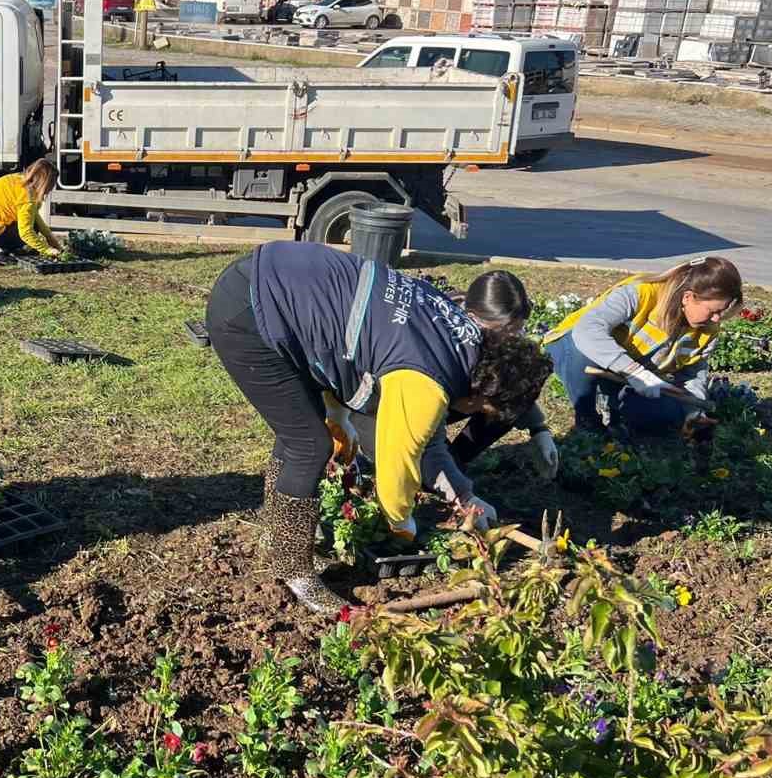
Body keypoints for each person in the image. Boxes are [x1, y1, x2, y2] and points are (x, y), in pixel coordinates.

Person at [205, 242, 553, 615]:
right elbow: (395, 470)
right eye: (479, 410)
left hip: (279, 280)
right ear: (482, 393)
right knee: (307, 445)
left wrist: (463, 496)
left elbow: (350, 341)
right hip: (252, 312)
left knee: (300, 435)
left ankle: (277, 539)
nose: (467, 413)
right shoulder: (428, 383)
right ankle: (295, 571)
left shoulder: (457, 336)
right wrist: (404, 527)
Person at [354, 271, 561, 509]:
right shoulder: (441, 343)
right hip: (392, 398)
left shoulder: (491, 331)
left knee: (501, 401)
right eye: (507, 330)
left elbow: (511, 389)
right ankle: (425, 469)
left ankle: (453, 463)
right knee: (409, 454)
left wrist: (539, 428)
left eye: (519, 329)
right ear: (474, 318)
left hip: (452, 396)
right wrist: (460, 494)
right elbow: (428, 415)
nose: (513, 337)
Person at [543, 257, 742, 434]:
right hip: (572, 349)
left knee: (666, 413)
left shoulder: (708, 329)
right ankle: (587, 419)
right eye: (712, 310)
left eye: (721, 312)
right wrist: (634, 372)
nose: (716, 318)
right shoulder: (643, 292)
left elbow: (691, 375)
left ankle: (610, 400)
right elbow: (586, 331)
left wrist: (693, 412)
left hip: (622, 373)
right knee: (582, 351)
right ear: (688, 297)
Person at [0, 160, 62, 264]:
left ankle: (4, 247)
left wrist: (51, 240)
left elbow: (34, 216)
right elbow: (25, 233)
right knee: (31, 229)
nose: (51, 189)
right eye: (52, 184)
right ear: (45, 182)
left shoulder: (19, 179)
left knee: (33, 224)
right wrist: (47, 250)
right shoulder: (27, 196)